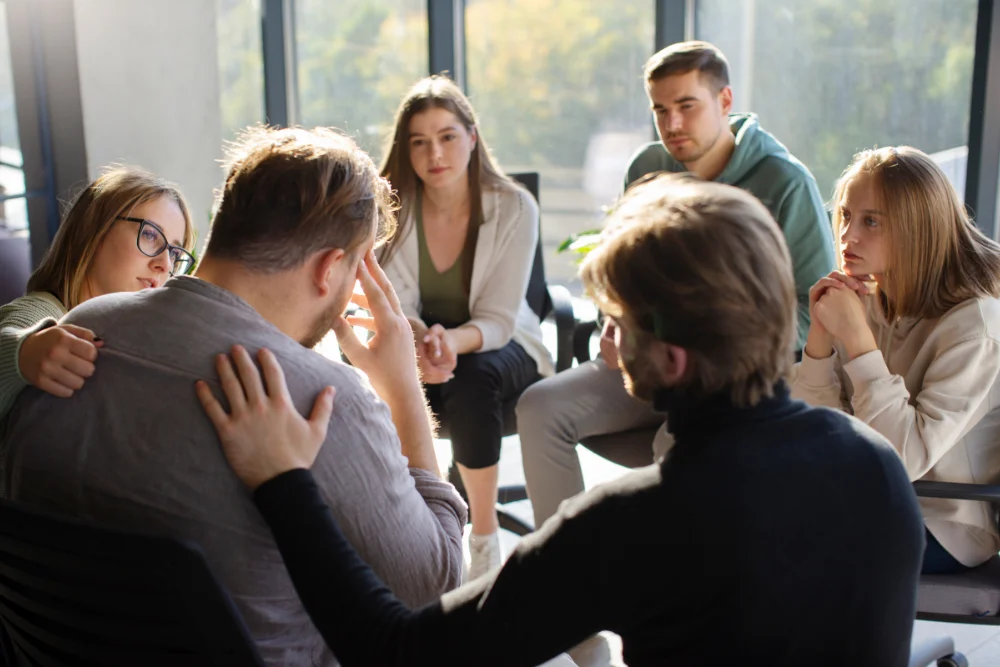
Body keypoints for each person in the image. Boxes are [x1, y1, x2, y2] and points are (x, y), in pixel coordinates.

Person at [200, 173, 925, 667]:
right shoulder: (876, 467)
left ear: (671, 358)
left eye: (617, 323)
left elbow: (395, 650)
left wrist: (284, 480)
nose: (607, 341)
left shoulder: (633, 525)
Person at [0, 127, 467, 667]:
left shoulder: (78, 330)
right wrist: (403, 388)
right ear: (329, 269)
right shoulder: (323, 399)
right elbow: (434, 586)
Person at [517, 40, 836, 530]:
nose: (673, 124)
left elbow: (817, 310)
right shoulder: (645, 169)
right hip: (649, 362)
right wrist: (613, 325)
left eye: (687, 106)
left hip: (735, 377)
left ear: (725, 101)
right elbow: (622, 278)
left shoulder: (784, 181)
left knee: (679, 443)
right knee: (541, 408)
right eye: (660, 110)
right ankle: (564, 562)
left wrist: (716, 341)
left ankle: (678, 568)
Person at [791, 146, 1000, 574]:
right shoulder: (871, 297)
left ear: (916, 228)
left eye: (871, 221)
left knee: (774, 543)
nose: (847, 235)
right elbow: (815, 434)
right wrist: (819, 341)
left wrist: (858, 342)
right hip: (863, 496)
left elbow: (904, 459)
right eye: (845, 215)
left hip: (943, 522)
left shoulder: (976, 327)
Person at [379, 76, 551, 578]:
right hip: (424, 342)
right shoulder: (393, 210)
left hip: (503, 343)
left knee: (472, 378)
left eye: (447, 136)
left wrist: (448, 344)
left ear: (472, 138)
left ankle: (482, 539)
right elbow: (395, 301)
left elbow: (499, 319)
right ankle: (409, 529)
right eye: (419, 141)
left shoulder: (514, 206)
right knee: (371, 370)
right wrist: (420, 344)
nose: (434, 153)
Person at [0, 166, 195, 419]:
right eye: (150, 235)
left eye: (175, 253)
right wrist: (23, 353)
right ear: (95, 231)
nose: (165, 264)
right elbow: (13, 333)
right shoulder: (44, 311)